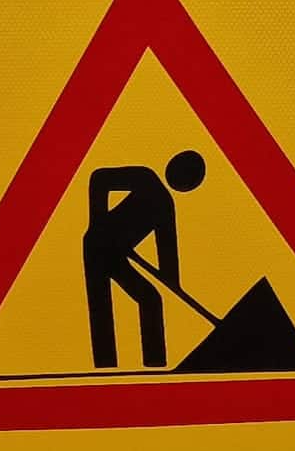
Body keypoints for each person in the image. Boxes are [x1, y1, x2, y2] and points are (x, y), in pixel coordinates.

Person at [82, 149, 206, 369]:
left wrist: (173, 282)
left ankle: (154, 364)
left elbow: (167, 251)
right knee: (101, 307)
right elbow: (99, 178)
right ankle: (104, 366)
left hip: (117, 254)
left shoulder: (166, 206)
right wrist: (97, 221)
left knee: (151, 299)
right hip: (95, 246)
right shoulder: (146, 178)